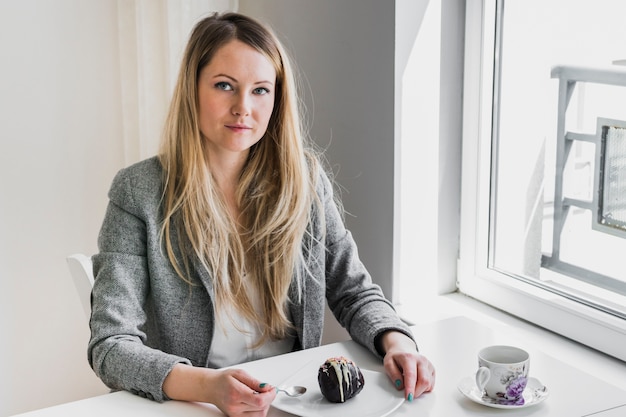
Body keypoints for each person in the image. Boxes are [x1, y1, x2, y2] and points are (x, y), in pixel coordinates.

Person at [88, 11, 435, 417]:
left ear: (277, 98)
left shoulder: (303, 180)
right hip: (196, 405)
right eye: (224, 86)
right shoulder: (138, 193)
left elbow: (353, 291)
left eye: (260, 90)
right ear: (192, 89)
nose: (243, 108)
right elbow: (110, 345)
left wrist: (398, 343)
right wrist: (208, 386)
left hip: (295, 402)